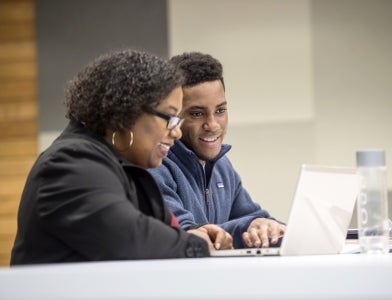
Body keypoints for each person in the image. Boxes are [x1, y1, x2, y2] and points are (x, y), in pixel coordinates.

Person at [10, 49, 233, 265]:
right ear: (125, 114)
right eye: (170, 118)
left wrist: (195, 232)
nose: (176, 132)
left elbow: (163, 234)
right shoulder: (69, 163)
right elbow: (132, 239)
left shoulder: (124, 168)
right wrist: (197, 243)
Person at [149, 52, 286, 249]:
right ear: (172, 115)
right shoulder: (156, 164)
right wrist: (247, 226)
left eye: (220, 111)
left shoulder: (222, 165)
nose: (212, 125)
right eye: (197, 114)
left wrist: (269, 229)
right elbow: (188, 234)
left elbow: (253, 218)